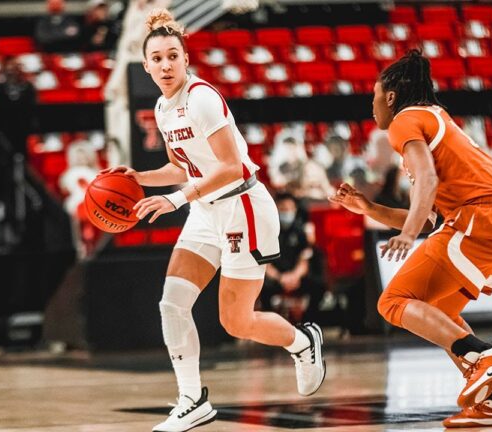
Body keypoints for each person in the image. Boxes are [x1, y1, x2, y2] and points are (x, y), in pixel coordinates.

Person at [101, 9, 325, 432]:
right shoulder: (163, 107)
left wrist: (177, 200)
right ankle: (193, 399)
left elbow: (231, 168)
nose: (166, 65)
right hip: (206, 211)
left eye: (173, 56)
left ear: (186, 59)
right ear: (145, 65)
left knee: (236, 322)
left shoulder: (202, 98)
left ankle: (302, 341)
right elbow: (181, 166)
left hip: (243, 207)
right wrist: (141, 178)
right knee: (172, 304)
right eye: (157, 59)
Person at [331, 50, 492, 428]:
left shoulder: (404, 121)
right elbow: (427, 217)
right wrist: (369, 208)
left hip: (481, 215)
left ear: (390, 97)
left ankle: (486, 356)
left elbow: (427, 182)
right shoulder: (435, 119)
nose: (372, 107)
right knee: (440, 313)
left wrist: (405, 235)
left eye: (374, 98)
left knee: (392, 302)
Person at [261, 193, 328, 323]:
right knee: (261, 289)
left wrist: (295, 276)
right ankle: (270, 324)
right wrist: (280, 278)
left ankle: (307, 323)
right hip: (275, 277)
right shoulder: (267, 231)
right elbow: (265, 263)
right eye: (283, 209)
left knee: (318, 286)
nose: (286, 212)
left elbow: (305, 258)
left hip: (296, 276)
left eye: (289, 209)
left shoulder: (300, 231)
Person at [0, 56, 37, 157]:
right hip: (5, 127)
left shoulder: (28, 87)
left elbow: (33, 107)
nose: (12, 72)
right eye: (9, 68)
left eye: (15, 68)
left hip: (23, 127)